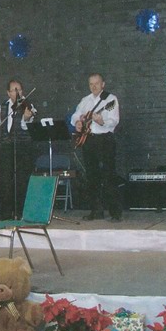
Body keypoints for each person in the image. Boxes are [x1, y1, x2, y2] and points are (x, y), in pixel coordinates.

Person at [70, 73, 122, 221]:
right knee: (92, 176)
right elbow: (75, 116)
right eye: (91, 84)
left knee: (108, 175)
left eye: (97, 83)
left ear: (103, 84)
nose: (94, 86)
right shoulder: (85, 100)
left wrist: (101, 121)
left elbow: (114, 121)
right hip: (89, 140)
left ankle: (115, 213)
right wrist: (78, 122)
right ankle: (96, 211)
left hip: (104, 140)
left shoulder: (110, 100)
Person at [0, 79, 36, 220]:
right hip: (6, 147)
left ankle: (21, 212)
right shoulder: (3, 106)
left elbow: (27, 126)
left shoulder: (28, 105)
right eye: (14, 90)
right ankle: (5, 213)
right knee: (5, 180)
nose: (17, 92)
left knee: (21, 180)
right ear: (8, 93)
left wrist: (27, 118)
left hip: (22, 147)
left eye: (19, 90)